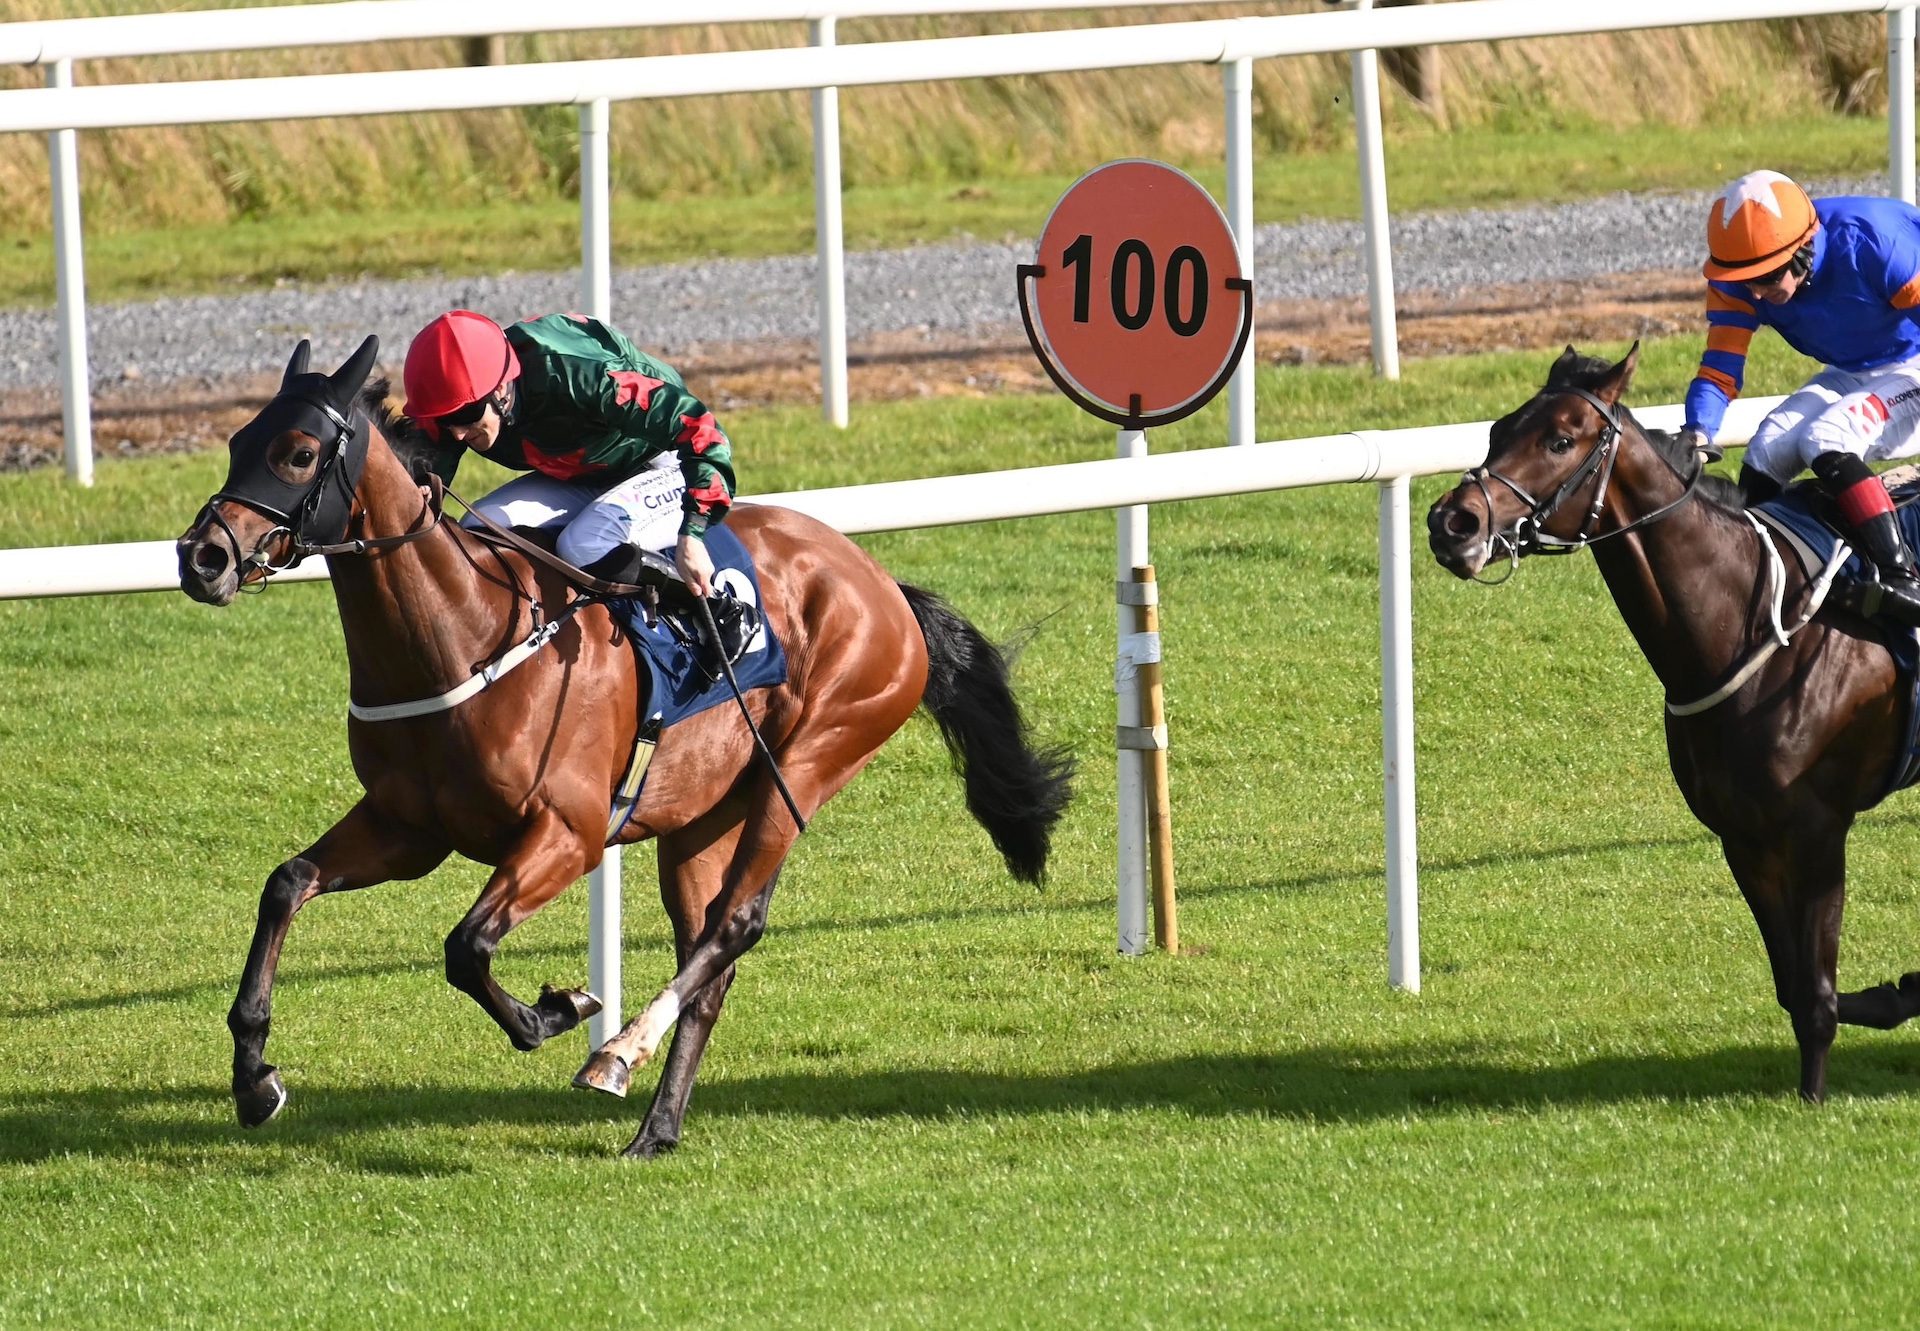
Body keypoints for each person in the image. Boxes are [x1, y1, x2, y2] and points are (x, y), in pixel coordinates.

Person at [401, 308, 752, 661]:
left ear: (502, 388)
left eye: (465, 417)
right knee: (481, 530)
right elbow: (423, 469)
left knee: (583, 545)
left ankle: (719, 607)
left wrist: (693, 532)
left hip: (664, 461)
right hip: (587, 473)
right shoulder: (468, 396)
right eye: (445, 421)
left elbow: (703, 431)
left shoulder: (580, 377)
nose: (458, 433)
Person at [1679, 169, 1920, 621]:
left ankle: (1903, 577)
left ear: (1804, 249)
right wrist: (1697, 432)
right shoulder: (1737, 277)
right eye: (1746, 281)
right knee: (1768, 447)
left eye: (1767, 278)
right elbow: (1720, 368)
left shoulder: (1876, 243)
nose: (1756, 292)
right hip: (1850, 370)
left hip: (1916, 361)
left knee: (1828, 437)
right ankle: (1759, 578)